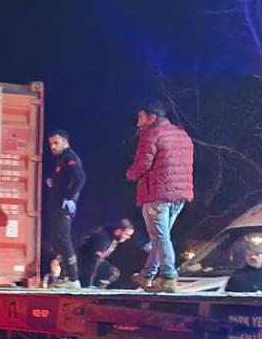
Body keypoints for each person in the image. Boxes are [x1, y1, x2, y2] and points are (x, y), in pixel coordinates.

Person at [126, 100, 194, 293]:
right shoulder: (182, 135)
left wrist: (130, 174)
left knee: (160, 237)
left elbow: (143, 163)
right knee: (160, 237)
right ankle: (147, 274)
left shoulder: (151, 134)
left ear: (152, 118)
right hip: (179, 195)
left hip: (157, 193)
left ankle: (169, 276)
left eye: (141, 118)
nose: (138, 124)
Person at [44, 129, 86, 283]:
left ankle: (73, 279)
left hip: (64, 207)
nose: (53, 147)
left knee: (63, 240)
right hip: (57, 205)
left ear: (65, 142)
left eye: (56, 143)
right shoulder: (61, 159)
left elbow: (80, 178)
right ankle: (65, 276)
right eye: (51, 144)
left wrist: (69, 198)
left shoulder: (70, 157)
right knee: (57, 240)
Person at [77, 219, 136, 289]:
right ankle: (88, 286)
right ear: (118, 231)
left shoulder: (112, 239)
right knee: (110, 272)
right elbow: (92, 261)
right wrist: (87, 284)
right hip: (82, 264)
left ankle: (95, 287)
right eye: (127, 234)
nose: (128, 237)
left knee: (113, 272)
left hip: (90, 264)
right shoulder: (103, 240)